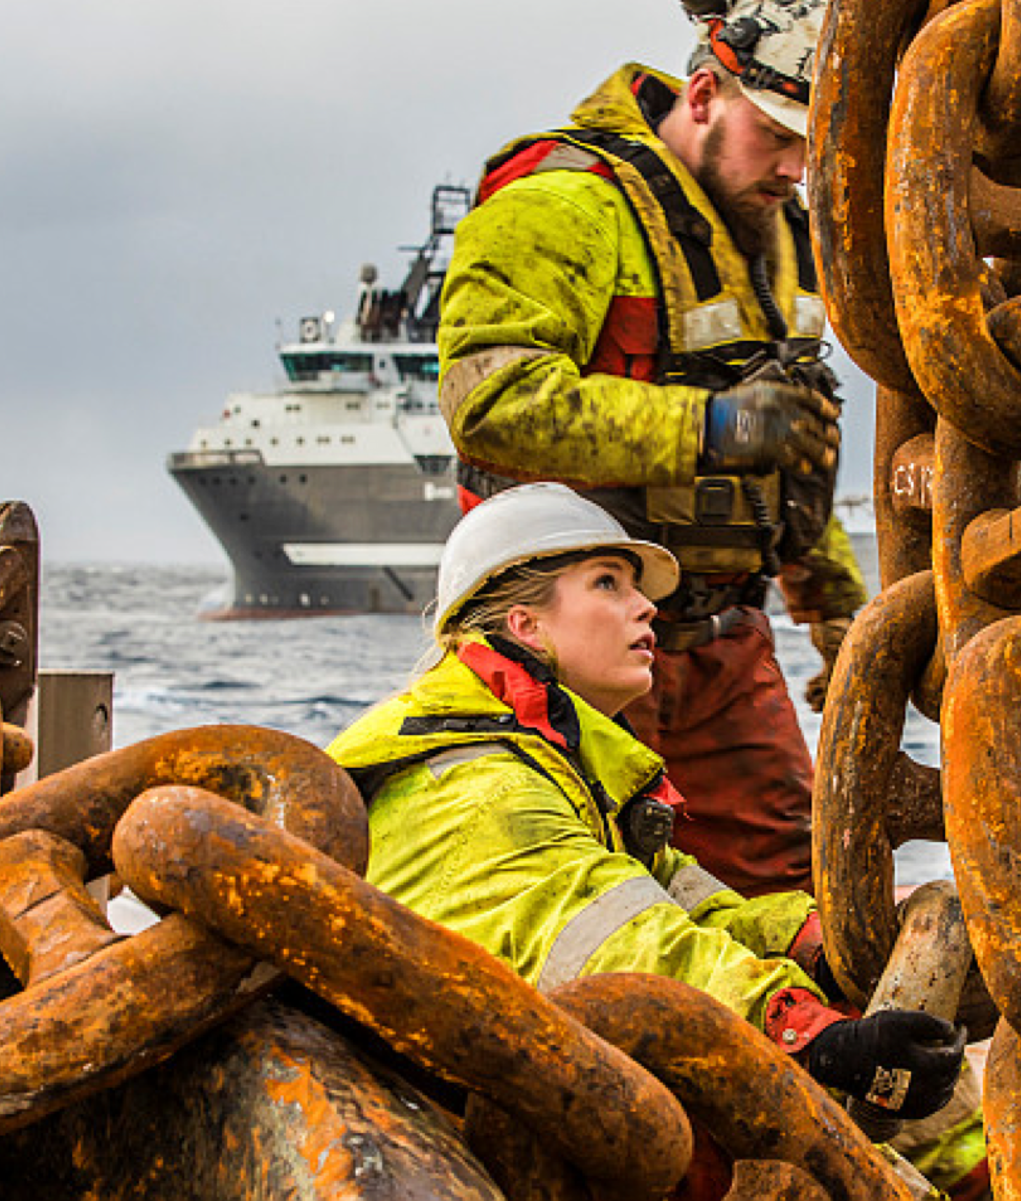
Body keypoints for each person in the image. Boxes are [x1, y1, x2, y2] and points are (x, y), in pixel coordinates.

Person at [328, 483, 962, 1195]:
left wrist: (818, 940)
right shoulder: (477, 786)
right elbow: (621, 954)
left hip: (520, 1085)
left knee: (936, 1120)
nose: (647, 607)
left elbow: (694, 911)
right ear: (524, 626)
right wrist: (804, 1029)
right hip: (454, 1136)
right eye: (608, 583)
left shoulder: (564, 764)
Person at [435, 0, 866, 903]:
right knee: (585, 905)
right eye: (778, 133)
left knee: (796, 898)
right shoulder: (562, 202)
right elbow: (488, 400)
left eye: (813, 146)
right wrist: (710, 426)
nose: (795, 168)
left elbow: (793, 447)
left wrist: (838, 613)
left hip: (721, 647)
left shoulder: (783, 234)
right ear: (706, 93)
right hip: (557, 647)